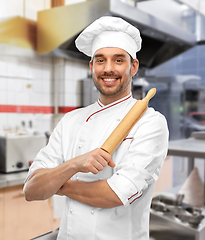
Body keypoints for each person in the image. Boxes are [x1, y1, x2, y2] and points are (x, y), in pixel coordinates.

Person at [24, 16, 169, 240]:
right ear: (92, 66)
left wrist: (57, 184)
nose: (108, 69)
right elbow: (32, 190)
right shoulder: (71, 120)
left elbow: (115, 194)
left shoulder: (150, 122)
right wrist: (74, 164)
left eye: (118, 60)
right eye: (100, 60)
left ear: (134, 67)